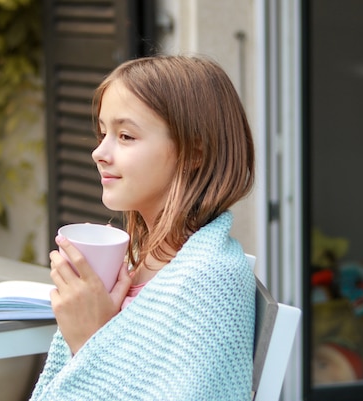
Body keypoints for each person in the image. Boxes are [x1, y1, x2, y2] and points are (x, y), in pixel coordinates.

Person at [30, 55, 256, 400]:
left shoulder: (212, 279)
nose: (99, 152)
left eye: (125, 136)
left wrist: (89, 340)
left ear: (194, 151)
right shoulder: (137, 261)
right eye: (103, 133)